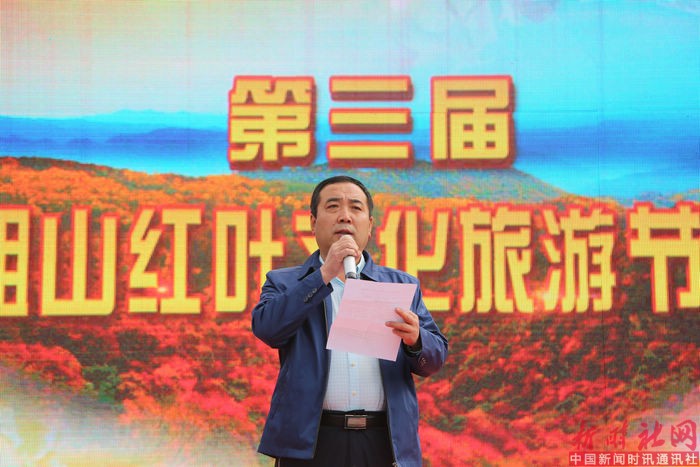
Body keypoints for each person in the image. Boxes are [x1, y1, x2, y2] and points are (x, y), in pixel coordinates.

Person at [251, 175, 448, 466]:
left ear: (370, 224)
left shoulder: (400, 284)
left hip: (383, 443)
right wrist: (323, 276)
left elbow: (434, 359)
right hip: (312, 443)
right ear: (313, 222)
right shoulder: (285, 282)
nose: (345, 216)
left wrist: (416, 340)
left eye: (355, 208)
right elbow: (268, 329)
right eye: (333, 206)